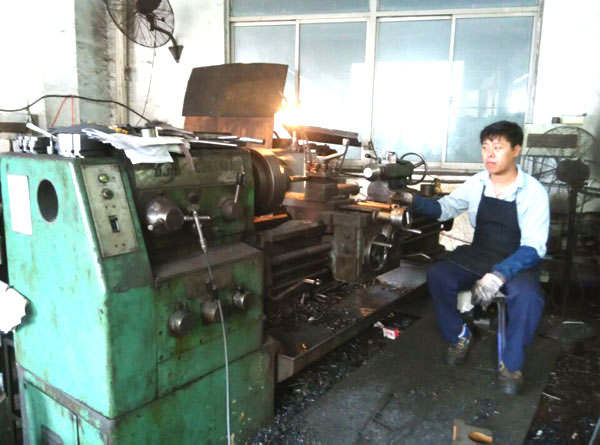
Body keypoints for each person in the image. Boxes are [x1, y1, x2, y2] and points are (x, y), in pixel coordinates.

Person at [397, 120, 549, 395]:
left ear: (516, 150)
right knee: (439, 275)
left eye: (498, 147)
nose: (489, 154)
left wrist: (499, 275)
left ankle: (511, 364)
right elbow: (444, 209)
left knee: (528, 298)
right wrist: (411, 199)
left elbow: (534, 246)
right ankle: (458, 334)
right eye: (485, 147)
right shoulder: (477, 183)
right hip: (481, 252)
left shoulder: (533, 192)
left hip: (518, 259)